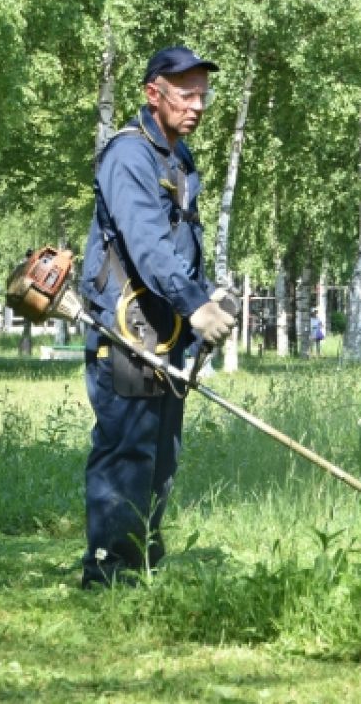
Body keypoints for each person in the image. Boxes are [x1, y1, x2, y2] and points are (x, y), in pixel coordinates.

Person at [78, 45, 236, 587]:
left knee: (160, 458)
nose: (197, 105)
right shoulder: (128, 155)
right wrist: (196, 306)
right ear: (153, 93)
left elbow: (180, 241)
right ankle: (107, 575)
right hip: (125, 330)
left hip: (163, 330)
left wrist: (209, 291)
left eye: (203, 95)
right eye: (186, 94)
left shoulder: (177, 156)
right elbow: (145, 243)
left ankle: (140, 563)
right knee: (127, 454)